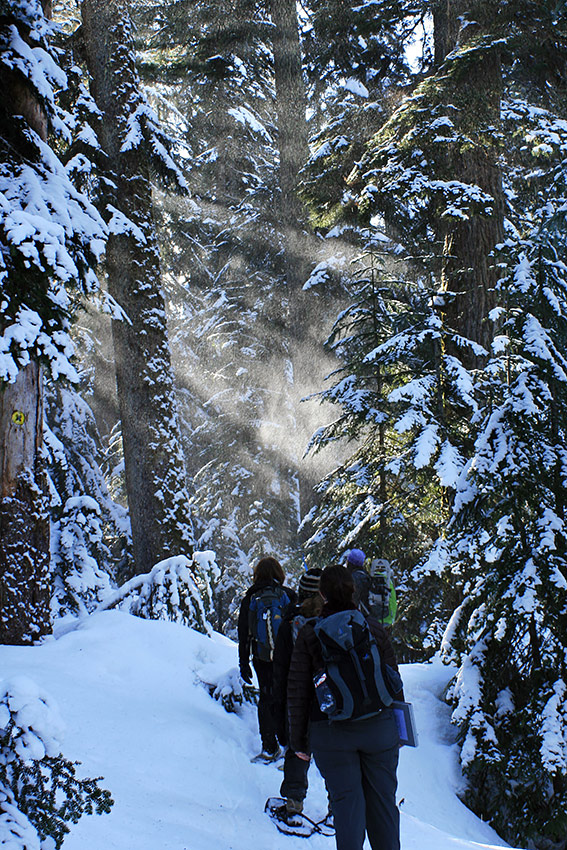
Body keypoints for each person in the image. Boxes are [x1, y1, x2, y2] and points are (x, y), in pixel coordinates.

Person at [287, 564, 403, 850]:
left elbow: (299, 692)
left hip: (331, 733)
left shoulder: (310, 634)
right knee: (383, 804)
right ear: (354, 590)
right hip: (379, 728)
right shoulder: (374, 629)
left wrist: (299, 742)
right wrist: (397, 729)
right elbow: (394, 682)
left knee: (346, 805)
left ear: (322, 595)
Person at [271, 568, 323, 821]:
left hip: (297, 696)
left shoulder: (290, 622)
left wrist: (277, 703)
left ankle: (294, 803)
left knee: (296, 748)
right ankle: (338, 807)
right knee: (333, 753)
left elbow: (279, 669)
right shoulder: (335, 619)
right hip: (329, 697)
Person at [238, 555, 295, 762]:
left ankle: (270, 748)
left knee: (266, 698)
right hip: (287, 658)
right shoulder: (288, 595)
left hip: (262, 658)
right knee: (288, 698)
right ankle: (291, 746)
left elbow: (244, 634)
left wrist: (243, 662)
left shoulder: (250, 598)